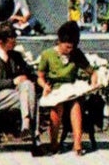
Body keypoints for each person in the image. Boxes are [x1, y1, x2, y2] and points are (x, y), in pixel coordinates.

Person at [36, 20, 100, 156]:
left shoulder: (76, 54)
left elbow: (92, 72)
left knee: (75, 105)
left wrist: (93, 83)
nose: (69, 50)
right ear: (60, 42)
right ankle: (54, 143)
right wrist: (44, 86)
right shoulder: (48, 54)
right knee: (57, 108)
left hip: (71, 88)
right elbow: (39, 76)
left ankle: (77, 144)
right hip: (55, 89)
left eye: (72, 47)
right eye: (67, 47)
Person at [0, 23, 37, 139]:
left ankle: (26, 126)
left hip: (19, 94)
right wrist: (12, 82)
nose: (15, 43)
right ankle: (34, 134)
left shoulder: (16, 56)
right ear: (0, 41)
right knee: (31, 96)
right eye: (12, 40)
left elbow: (29, 73)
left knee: (28, 87)